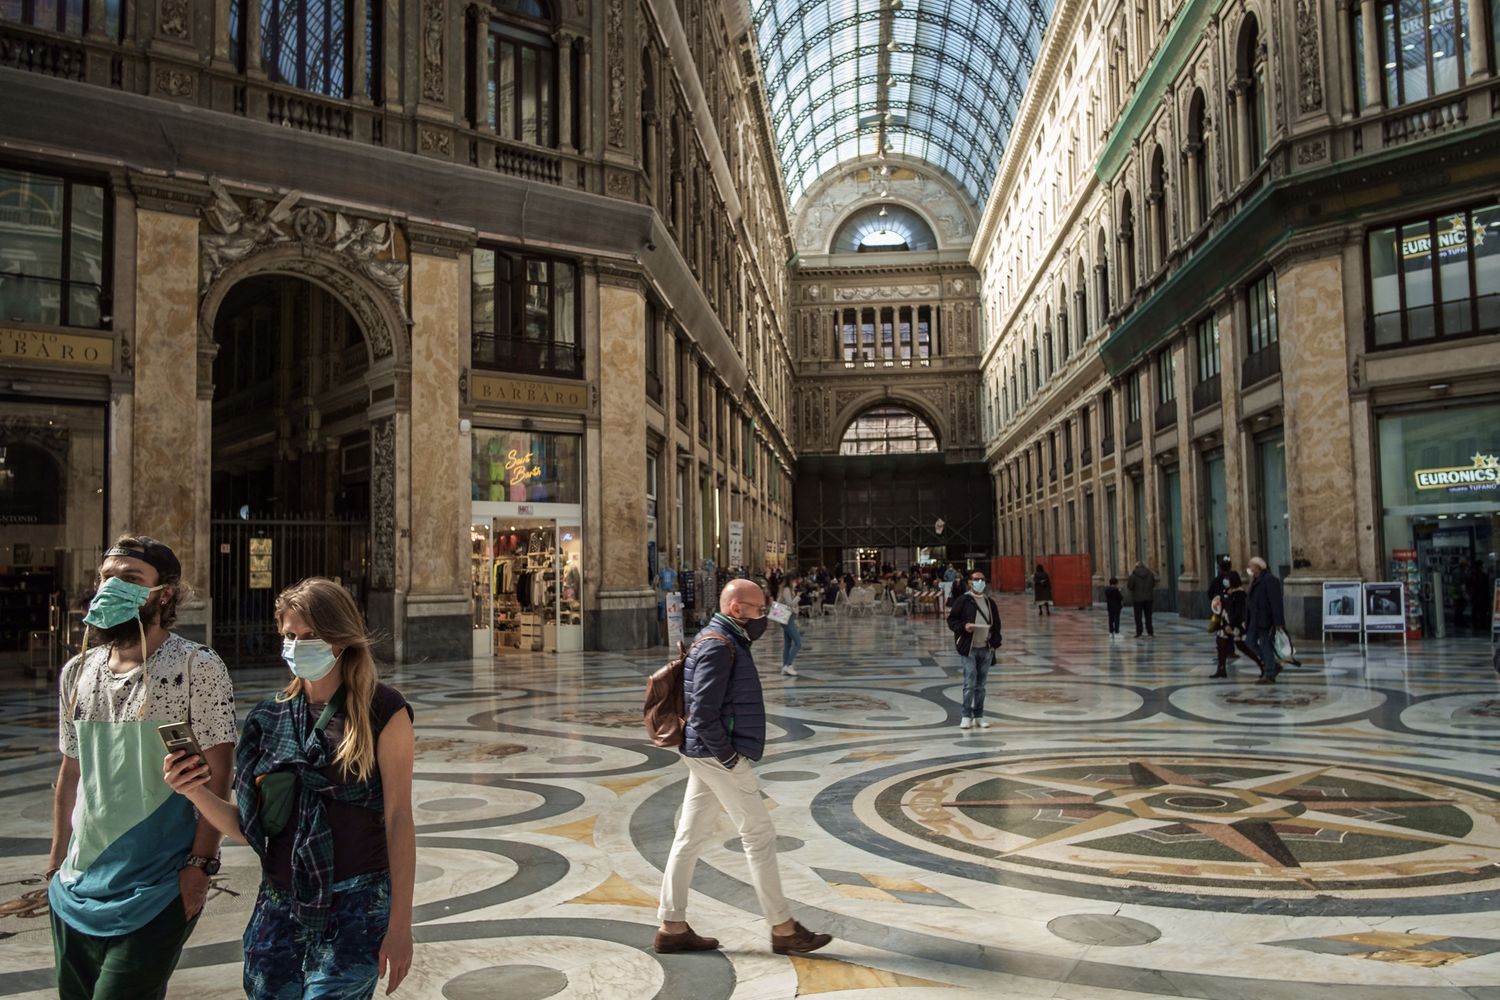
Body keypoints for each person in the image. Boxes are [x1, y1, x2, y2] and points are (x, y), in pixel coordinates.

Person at [163, 578, 416, 998]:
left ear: (340, 639)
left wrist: (400, 927)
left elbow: (398, 820)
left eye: (310, 636)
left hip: (355, 908)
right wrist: (194, 791)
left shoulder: (384, 711)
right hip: (278, 909)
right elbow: (251, 827)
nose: (297, 646)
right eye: (289, 636)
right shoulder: (269, 718)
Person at [48, 536, 238, 1000]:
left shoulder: (196, 665)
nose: (112, 587)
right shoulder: (78, 671)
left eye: (130, 579)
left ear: (164, 593)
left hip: (157, 886)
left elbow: (219, 773)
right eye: (107, 577)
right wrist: (55, 864)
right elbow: (71, 773)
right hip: (77, 883)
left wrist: (199, 864)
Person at [655, 580, 832, 957]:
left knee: (689, 836)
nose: (762, 616)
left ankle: (672, 925)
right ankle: (783, 928)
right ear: (736, 608)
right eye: (757, 609)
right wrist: (730, 759)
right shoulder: (720, 646)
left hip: (703, 753)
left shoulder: (720, 638)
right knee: (759, 835)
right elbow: (702, 714)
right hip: (716, 755)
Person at [947, 570, 1003, 730]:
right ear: (970, 582)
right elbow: (952, 620)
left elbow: (997, 625)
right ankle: (966, 716)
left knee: (981, 685)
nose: (980, 582)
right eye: (977, 579)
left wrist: (994, 643)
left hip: (986, 648)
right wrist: (964, 627)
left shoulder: (990, 602)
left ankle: (978, 716)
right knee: (969, 683)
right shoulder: (963, 600)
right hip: (969, 648)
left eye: (982, 579)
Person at [1244, 556, 1286, 684]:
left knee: (1265, 644)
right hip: (1255, 619)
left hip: (1265, 619)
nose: (1249, 569)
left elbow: (1276, 602)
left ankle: (1269, 673)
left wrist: (1279, 622)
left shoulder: (1270, 580)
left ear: (1257, 567)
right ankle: (1272, 665)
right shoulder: (1256, 581)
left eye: (1250, 566)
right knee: (1249, 642)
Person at [1211, 567, 1247, 679]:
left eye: (1227, 579)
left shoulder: (1240, 593)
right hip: (1224, 622)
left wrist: (1231, 624)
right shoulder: (1225, 591)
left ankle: (1264, 663)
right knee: (1220, 645)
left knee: (1243, 646)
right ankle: (1221, 669)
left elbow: (1238, 611)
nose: (1225, 581)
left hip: (1234, 624)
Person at [775, 577, 803, 678]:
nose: (796, 582)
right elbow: (790, 604)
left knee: (788, 643)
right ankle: (788, 665)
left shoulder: (787, 589)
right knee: (798, 642)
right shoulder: (786, 590)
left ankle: (784, 666)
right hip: (786, 618)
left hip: (787, 618)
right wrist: (798, 597)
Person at [1128, 562, 1157, 637]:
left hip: (1137, 599)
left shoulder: (1133, 575)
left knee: (1138, 616)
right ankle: (1150, 632)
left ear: (1136, 567)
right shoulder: (1150, 574)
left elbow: (1130, 586)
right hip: (1148, 598)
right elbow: (1153, 584)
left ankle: (1139, 632)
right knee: (1148, 616)